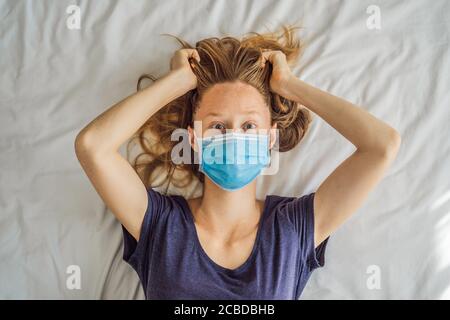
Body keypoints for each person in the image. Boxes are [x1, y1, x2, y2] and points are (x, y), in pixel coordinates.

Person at [74, 26, 401, 299]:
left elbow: (381, 145)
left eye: (249, 126)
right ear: (194, 140)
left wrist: (288, 85)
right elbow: (92, 147)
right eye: (217, 126)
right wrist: (176, 83)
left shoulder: (293, 228)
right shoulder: (160, 224)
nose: (235, 137)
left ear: (270, 138)